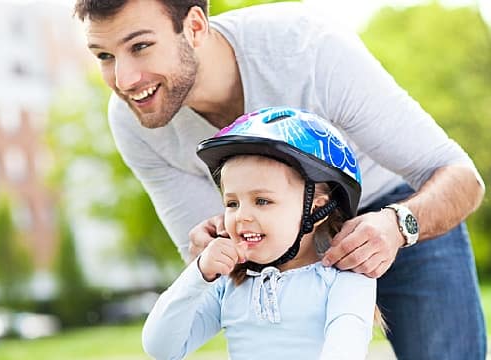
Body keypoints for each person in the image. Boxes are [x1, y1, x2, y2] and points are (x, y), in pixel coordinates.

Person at [75, 0, 487, 358]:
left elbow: (462, 179)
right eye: (104, 56)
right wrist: (211, 249)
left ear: (196, 27)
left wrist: (399, 225)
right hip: (277, 240)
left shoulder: (306, 49)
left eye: (141, 46)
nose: (124, 80)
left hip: (398, 212)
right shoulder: (133, 122)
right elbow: (210, 258)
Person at [142, 107, 378, 359]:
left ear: (315, 208)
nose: (241, 216)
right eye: (232, 203)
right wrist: (199, 274)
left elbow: (344, 350)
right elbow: (161, 348)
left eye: (262, 201)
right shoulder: (229, 284)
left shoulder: (346, 279)